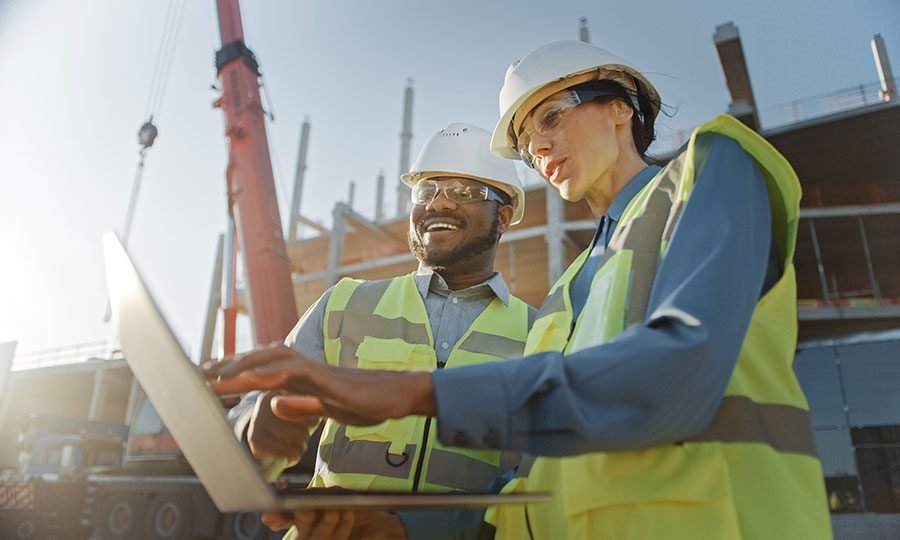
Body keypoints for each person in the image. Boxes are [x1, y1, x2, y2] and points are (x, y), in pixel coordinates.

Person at [209, 41, 832, 540]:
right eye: (529, 140)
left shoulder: (710, 169)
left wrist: (405, 391)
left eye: (552, 117)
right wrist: (400, 527)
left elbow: (675, 374)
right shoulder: (563, 299)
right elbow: (521, 483)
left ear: (620, 105)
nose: (540, 146)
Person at [224, 122, 535, 539]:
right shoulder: (345, 304)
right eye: (426, 191)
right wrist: (255, 433)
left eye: (464, 192)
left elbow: (532, 483)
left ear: (505, 215)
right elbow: (254, 413)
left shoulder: (541, 334)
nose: (439, 204)